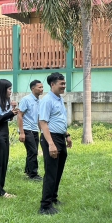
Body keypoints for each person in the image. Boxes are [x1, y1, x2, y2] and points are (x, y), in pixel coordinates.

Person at [38, 72, 72, 215]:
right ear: (52, 85)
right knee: (51, 172)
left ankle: (53, 198)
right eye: (61, 84)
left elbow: (59, 119)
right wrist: (51, 144)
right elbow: (43, 123)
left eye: (64, 83)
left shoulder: (58, 99)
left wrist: (67, 135)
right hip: (50, 138)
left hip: (60, 137)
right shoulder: (47, 100)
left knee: (58, 171)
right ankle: (45, 206)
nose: (64, 86)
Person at [17, 80, 44, 181]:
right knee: (33, 151)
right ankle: (33, 175)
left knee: (32, 151)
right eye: (39, 87)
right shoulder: (26, 100)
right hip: (26, 129)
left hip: (34, 129)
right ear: (33, 88)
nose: (42, 89)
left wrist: (42, 131)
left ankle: (28, 171)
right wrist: (22, 132)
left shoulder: (40, 101)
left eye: (42, 87)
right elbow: (20, 115)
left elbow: (38, 118)